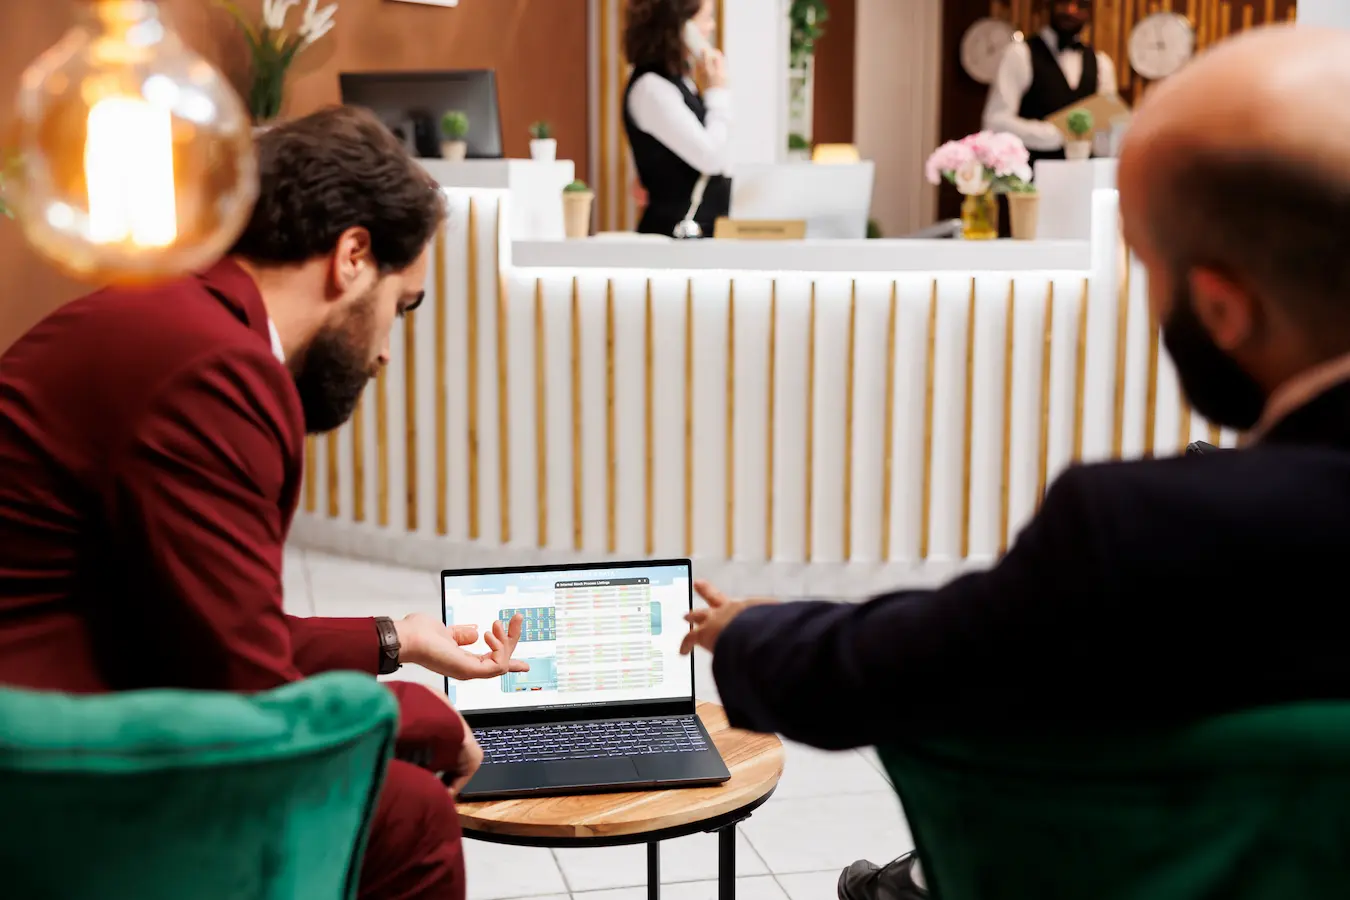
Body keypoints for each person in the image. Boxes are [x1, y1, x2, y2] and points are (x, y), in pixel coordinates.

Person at [682, 24, 1350, 900]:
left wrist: (749, 635)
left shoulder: (1145, 531)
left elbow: (900, 668)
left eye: (1151, 270)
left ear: (1224, 309)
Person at [0, 106, 524, 900]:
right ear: (352, 255)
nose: (386, 350)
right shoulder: (219, 370)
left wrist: (399, 640)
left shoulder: (166, 314)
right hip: (42, 767)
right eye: (402, 305)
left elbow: (207, 622)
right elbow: (247, 694)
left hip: (61, 693)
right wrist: (420, 716)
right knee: (410, 814)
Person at [623, 0, 732, 237]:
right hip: (673, 239)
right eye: (705, 19)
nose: (711, 27)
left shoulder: (680, 83)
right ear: (682, 27)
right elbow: (711, 158)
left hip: (696, 236)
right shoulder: (651, 88)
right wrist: (717, 91)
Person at [982, 0, 1118, 165]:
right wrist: (1052, 135)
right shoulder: (1019, 54)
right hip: (1028, 181)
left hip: (1084, 180)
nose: (1070, 10)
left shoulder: (1102, 63)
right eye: (1064, 2)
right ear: (1049, 5)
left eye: (1080, 5)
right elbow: (995, 121)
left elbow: (1106, 130)